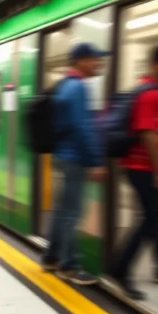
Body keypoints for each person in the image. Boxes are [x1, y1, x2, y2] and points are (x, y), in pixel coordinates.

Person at [111, 45, 158, 300]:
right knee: (150, 218)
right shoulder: (151, 94)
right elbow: (148, 133)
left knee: (157, 216)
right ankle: (120, 269)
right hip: (143, 168)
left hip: (145, 167)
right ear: (157, 64)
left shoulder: (154, 91)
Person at [41, 42, 108, 285]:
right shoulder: (78, 87)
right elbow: (82, 127)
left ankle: (50, 257)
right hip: (75, 158)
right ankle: (68, 265)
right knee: (71, 213)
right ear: (81, 61)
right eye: (95, 59)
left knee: (61, 211)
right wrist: (96, 160)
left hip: (63, 155)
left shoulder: (65, 85)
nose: (99, 63)